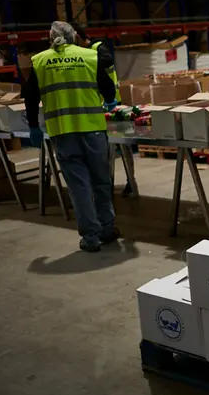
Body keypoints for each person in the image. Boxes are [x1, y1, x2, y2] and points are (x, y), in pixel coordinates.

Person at [24, 21, 120, 252]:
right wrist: (109, 100)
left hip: (63, 132)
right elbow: (108, 90)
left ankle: (91, 238)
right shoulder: (89, 56)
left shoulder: (39, 61)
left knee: (79, 187)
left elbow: (29, 97)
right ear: (74, 36)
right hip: (93, 129)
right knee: (101, 181)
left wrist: (34, 126)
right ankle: (108, 228)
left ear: (50, 37)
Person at [72, 23, 139, 199]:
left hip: (112, 105)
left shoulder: (98, 48)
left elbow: (107, 62)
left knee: (122, 147)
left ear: (77, 37)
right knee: (105, 149)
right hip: (96, 108)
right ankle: (107, 183)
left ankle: (131, 182)